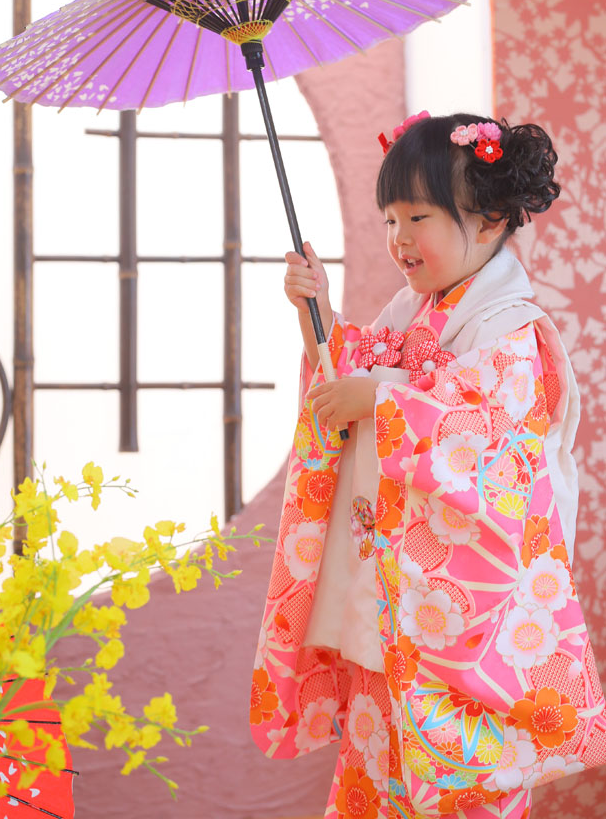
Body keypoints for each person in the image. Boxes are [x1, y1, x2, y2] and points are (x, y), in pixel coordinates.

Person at [250, 112, 606, 819]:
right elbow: (349, 374)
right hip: (391, 610)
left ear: (491, 218)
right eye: (390, 219)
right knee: (373, 777)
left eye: (417, 217)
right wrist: (317, 313)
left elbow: (486, 441)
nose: (399, 238)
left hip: (458, 626)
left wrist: (379, 401)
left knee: (461, 792)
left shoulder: (511, 327)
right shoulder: (412, 310)